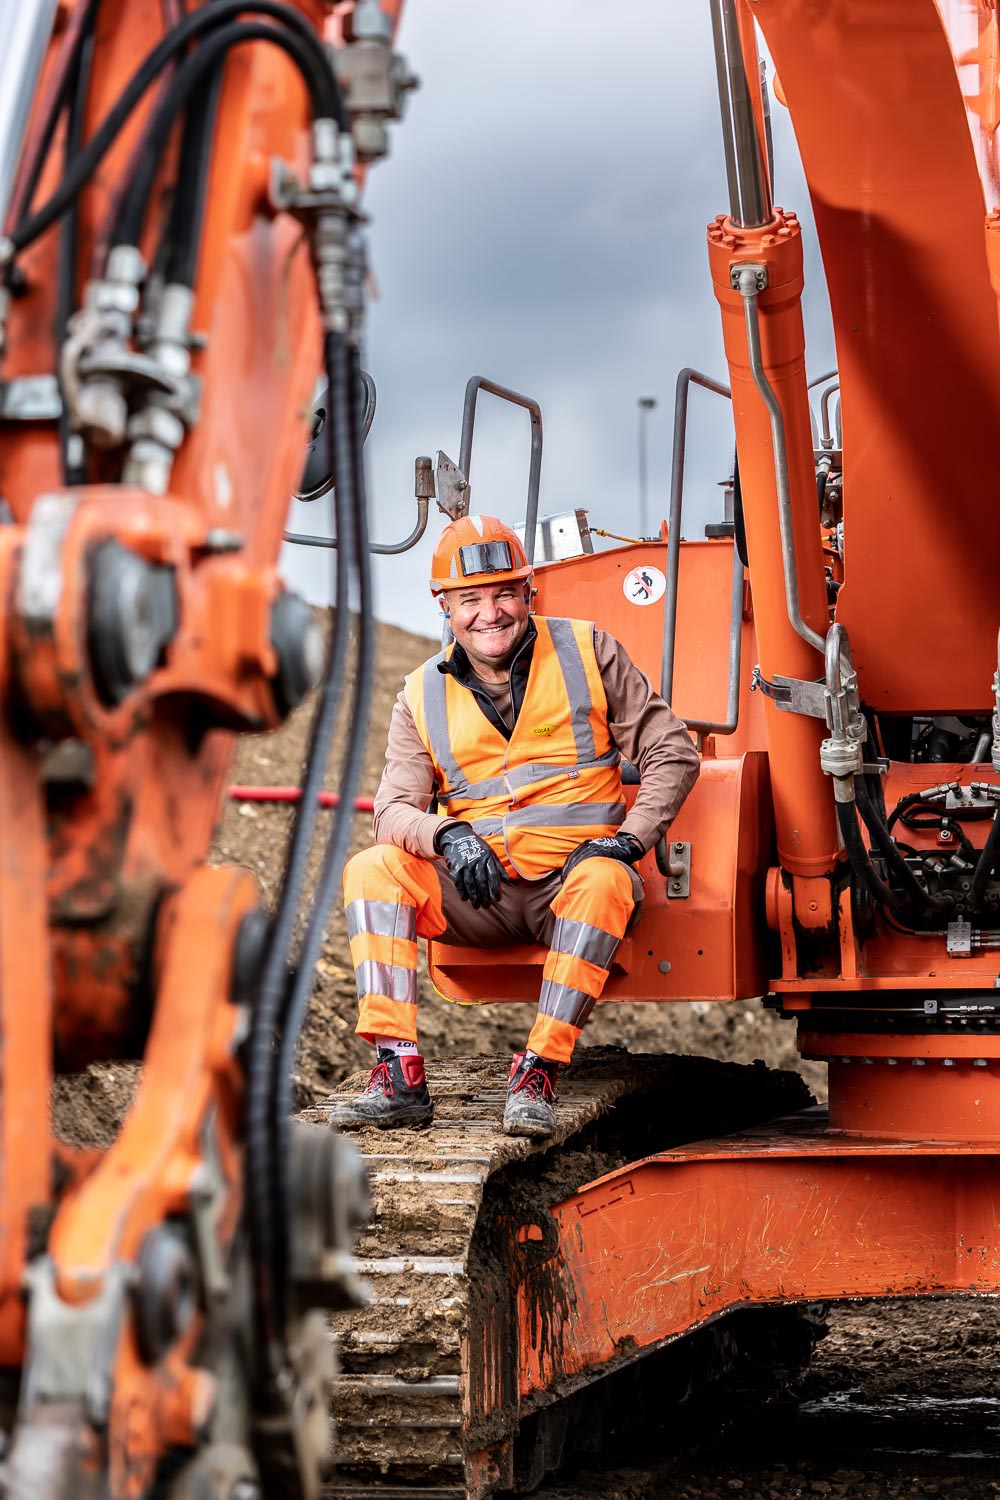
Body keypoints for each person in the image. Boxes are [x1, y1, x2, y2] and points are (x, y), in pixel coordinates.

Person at [330, 514, 700, 1139]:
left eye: (504, 593)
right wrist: (449, 836)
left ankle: (540, 1070)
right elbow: (392, 812)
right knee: (372, 870)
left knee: (606, 880)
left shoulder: (589, 651)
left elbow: (673, 751)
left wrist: (629, 840)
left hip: (574, 888)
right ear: (444, 606)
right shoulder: (419, 694)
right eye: (469, 599)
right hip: (483, 897)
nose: (490, 612)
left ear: (530, 591)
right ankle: (397, 1070)